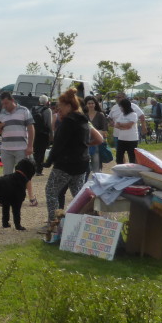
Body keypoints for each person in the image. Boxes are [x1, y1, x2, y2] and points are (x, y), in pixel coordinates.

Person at [44, 87, 104, 228]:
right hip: (82, 163)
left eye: (61, 106)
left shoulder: (68, 122)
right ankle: (92, 220)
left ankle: (54, 224)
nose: (58, 109)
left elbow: (58, 144)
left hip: (66, 164)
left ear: (69, 106)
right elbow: (89, 140)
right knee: (79, 196)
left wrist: (48, 161)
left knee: (51, 192)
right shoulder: (83, 120)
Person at [112, 97, 142, 164]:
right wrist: (123, 126)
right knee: (119, 157)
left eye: (121, 107)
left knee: (132, 157)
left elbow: (129, 125)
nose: (121, 109)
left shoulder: (133, 115)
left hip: (132, 140)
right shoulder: (121, 115)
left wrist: (121, 125)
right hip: (121, 139)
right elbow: (116, 125)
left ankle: (132, 172)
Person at [84, 96, 108, 173]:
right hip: (85, 143)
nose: (90, 105)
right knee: (85, 166)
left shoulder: (100, 115)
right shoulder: (83, 115)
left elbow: (104, 131)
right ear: (85, 105)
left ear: (95, 104)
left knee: (96, 165)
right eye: (89, 103)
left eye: (92, 103)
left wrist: (92, 132)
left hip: (97, 143)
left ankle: (97, 181)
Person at [31, 95, 52, 175]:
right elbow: (49, 124)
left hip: (34, 132)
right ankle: (39, 169)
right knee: (41, 152)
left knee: (35, 151)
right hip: (43, 134)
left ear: (39, 101)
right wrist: (51, 135)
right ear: (47, 102)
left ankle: (34, 168)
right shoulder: (47, 110)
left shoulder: (33, 109)